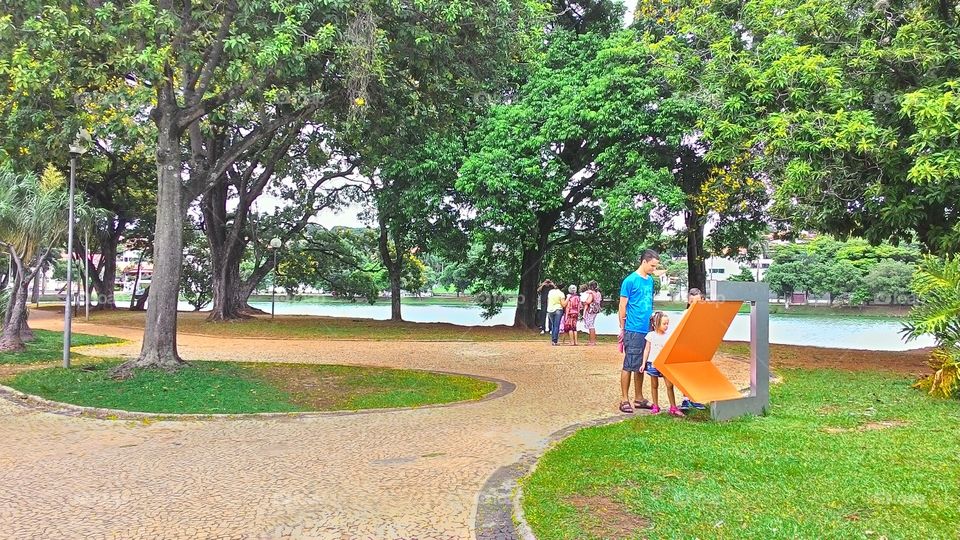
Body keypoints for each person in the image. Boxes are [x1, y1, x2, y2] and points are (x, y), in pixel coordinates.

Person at [618, 249, 661, 413]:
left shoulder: (649, 280)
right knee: (629, 363)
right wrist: (622, 328)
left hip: (647, 329)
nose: (653, 269)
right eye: (652, 265)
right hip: (633, 329)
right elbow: (622, 305)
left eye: (655, 266)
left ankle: (639, 397)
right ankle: (624, 399)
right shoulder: (630, 281)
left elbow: (648, 302)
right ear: (644, 262)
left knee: (641, 363)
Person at [642, 311, 684, 417]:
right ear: (656, 323)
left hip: (664, 364)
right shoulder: (650, 335)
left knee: (669, 385)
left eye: (667, 324)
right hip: (652, 363)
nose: (666, 326)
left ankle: (673, 407)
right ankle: (655, 405)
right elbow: (646, 350)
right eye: (664, 324)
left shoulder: (668, 336)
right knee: (654, 385)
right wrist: (643, 363)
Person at [677, 287, 707, 411]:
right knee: (686, 374)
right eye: (692, 301)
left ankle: (695, 398)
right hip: (686, 347)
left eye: (698, 301)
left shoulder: (705, 314)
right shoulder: (685, 314)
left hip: (699, 347)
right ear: (689, 302)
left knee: (697, 373)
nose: (695, 304)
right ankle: (686, 399)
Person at [582, 280, 602, 346]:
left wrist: (584, 302)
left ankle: (592, 342)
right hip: (596, 309)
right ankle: (592, 341)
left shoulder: (591, 293)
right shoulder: (598, 293)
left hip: (591, 310)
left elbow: (588, 301)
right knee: (592, 324)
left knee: (590, 325)